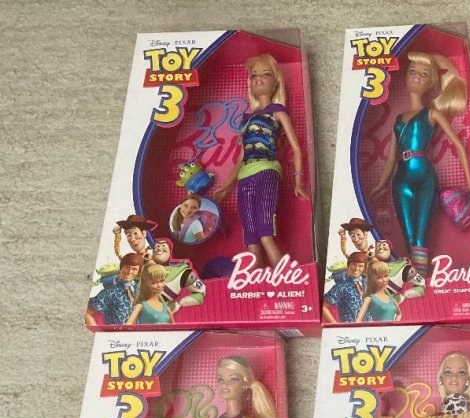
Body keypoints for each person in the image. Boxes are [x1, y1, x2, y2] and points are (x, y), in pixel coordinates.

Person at [370, 52, 470, 275]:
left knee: (421, 235)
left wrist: (469, 180)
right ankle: (415, 280)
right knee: (408, 235)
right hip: (400, 181)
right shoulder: (397, 120)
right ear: (405, 76)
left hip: (424, 178)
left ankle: (422, 278)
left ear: (431, 81)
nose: (416, 77)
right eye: (412, 71)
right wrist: (381, 184)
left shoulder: (431, 114)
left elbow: (458, 145)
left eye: (424, 74)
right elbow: (391, 158)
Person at [213, 54, 308, 267]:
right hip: (244, 177)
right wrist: (226, 187)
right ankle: (258, 284)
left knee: (265, 233)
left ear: (275, 82)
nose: (259, 79)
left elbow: (296, 147)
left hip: (266, 171)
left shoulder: (277, 112)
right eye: (254, 76)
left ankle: (286, 279)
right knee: (251, 240)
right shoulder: (246, 119)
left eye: (265, 74)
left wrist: (298, 181)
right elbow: (242, 156)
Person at [85, 253, 143, 326]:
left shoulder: (138, 291)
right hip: (114, 333)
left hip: (136, 332)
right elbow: (87, 313)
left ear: (138, 272)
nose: (129, 272)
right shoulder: (110, 291)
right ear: (121, 268)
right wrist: (97, 330)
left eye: (134, 269)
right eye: (127, 267)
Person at [148, 238, 206, 312]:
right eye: (157, 246)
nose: (159, 248)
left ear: (170, 251)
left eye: (163, 246)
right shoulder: (142, 267)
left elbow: (201, 293)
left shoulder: (181, 271)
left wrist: (179, 304)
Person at [323, 251, 369, 323]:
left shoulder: (366, 283)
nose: (356, 268)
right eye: (353, 265)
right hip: (349, 326)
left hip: (369, 325)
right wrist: (335, 324)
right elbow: (323, 306)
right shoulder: (340, 286)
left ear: (364, 268)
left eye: (360, 266)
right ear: (348, 265)